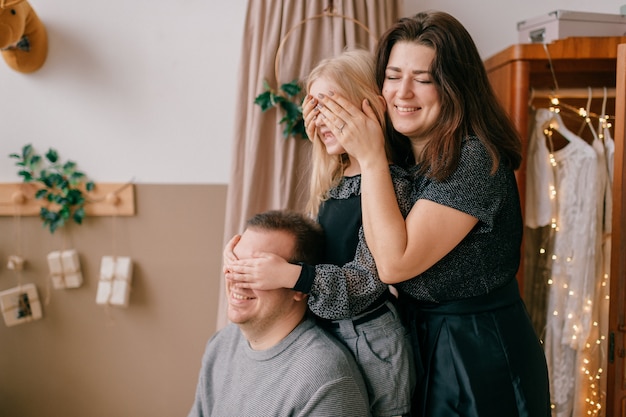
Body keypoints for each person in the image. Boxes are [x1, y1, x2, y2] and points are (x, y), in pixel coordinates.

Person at [306, 11, 552, 417]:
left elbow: (394, 263)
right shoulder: (407, 157)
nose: (403, 93)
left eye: (423, 79)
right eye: (393, 76)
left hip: (475, 350)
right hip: (420, 336)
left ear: (455, 88)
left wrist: (371, 158)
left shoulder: (473, 159)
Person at [224, 50, 415, 417]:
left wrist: (289, 275)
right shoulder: (337, 178)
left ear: (371, 109)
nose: (321, 120)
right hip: (329, 331)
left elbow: (365, 282)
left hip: (371, 343)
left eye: (332, 107)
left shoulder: (390, 184)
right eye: (315, 109)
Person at [187, 210, 371, 417]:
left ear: (299, 287)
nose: (237, 281)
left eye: (255, 270)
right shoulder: (221, 345)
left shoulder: (323, 379)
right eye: (235, 263)